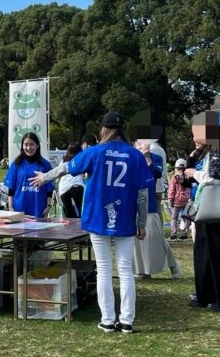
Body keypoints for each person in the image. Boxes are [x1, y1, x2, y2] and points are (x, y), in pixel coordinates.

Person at [30, 111, 151, 334]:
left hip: (97, 216)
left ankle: (107, 320)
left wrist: (44, 177)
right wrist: (141, 222)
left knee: (104, 269)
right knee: (125, 269)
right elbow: (143, 194)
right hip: (125, 217)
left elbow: (67, 167)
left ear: (104, 129)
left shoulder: (95, 152)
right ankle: (127, 321)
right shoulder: (135, 155)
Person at [185, 111, 220, 313]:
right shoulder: (209, 151)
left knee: (216, 252)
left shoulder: (217, 149)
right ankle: (205, 293)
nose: (193, 138)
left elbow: (215, 178)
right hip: (205, 208)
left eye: (195, 133)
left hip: (214, 209)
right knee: (204, 251)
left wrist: (194, 173)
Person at [133, 140, 181, 279]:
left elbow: (156, 173)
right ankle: (142, 270)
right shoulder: (131, 157)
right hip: (132, 204)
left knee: (157, 238)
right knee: (136, 240)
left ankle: (173, 266)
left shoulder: (156, 157)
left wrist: (147, 157)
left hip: (150, 204)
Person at [4, 132, 54, 217]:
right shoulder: (16, 164)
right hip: (18, 210)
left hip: (38, 210)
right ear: (22, 146)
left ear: (37, 145)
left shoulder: (45, 165)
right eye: (26, 145)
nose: (28, 148)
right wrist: (11, 207)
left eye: (31, 145)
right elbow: (11, 189)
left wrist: (48, 206)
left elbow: (49, 190)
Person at [167, 158, 192, 240]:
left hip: (176, 200)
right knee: (186, 218)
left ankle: (173, 234)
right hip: (187, 200)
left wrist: (170, 199)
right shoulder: (188, 176)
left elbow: (171, 189)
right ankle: (184, 233)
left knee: (174, 218)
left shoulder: (175, 177)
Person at [58, 143, 84, 218]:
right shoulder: (79, 160)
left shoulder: (63, 161)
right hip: (77, 186)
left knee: (69, 213)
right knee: (79, 213)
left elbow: (59, 176)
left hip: (63, 189)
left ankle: (70, 228)